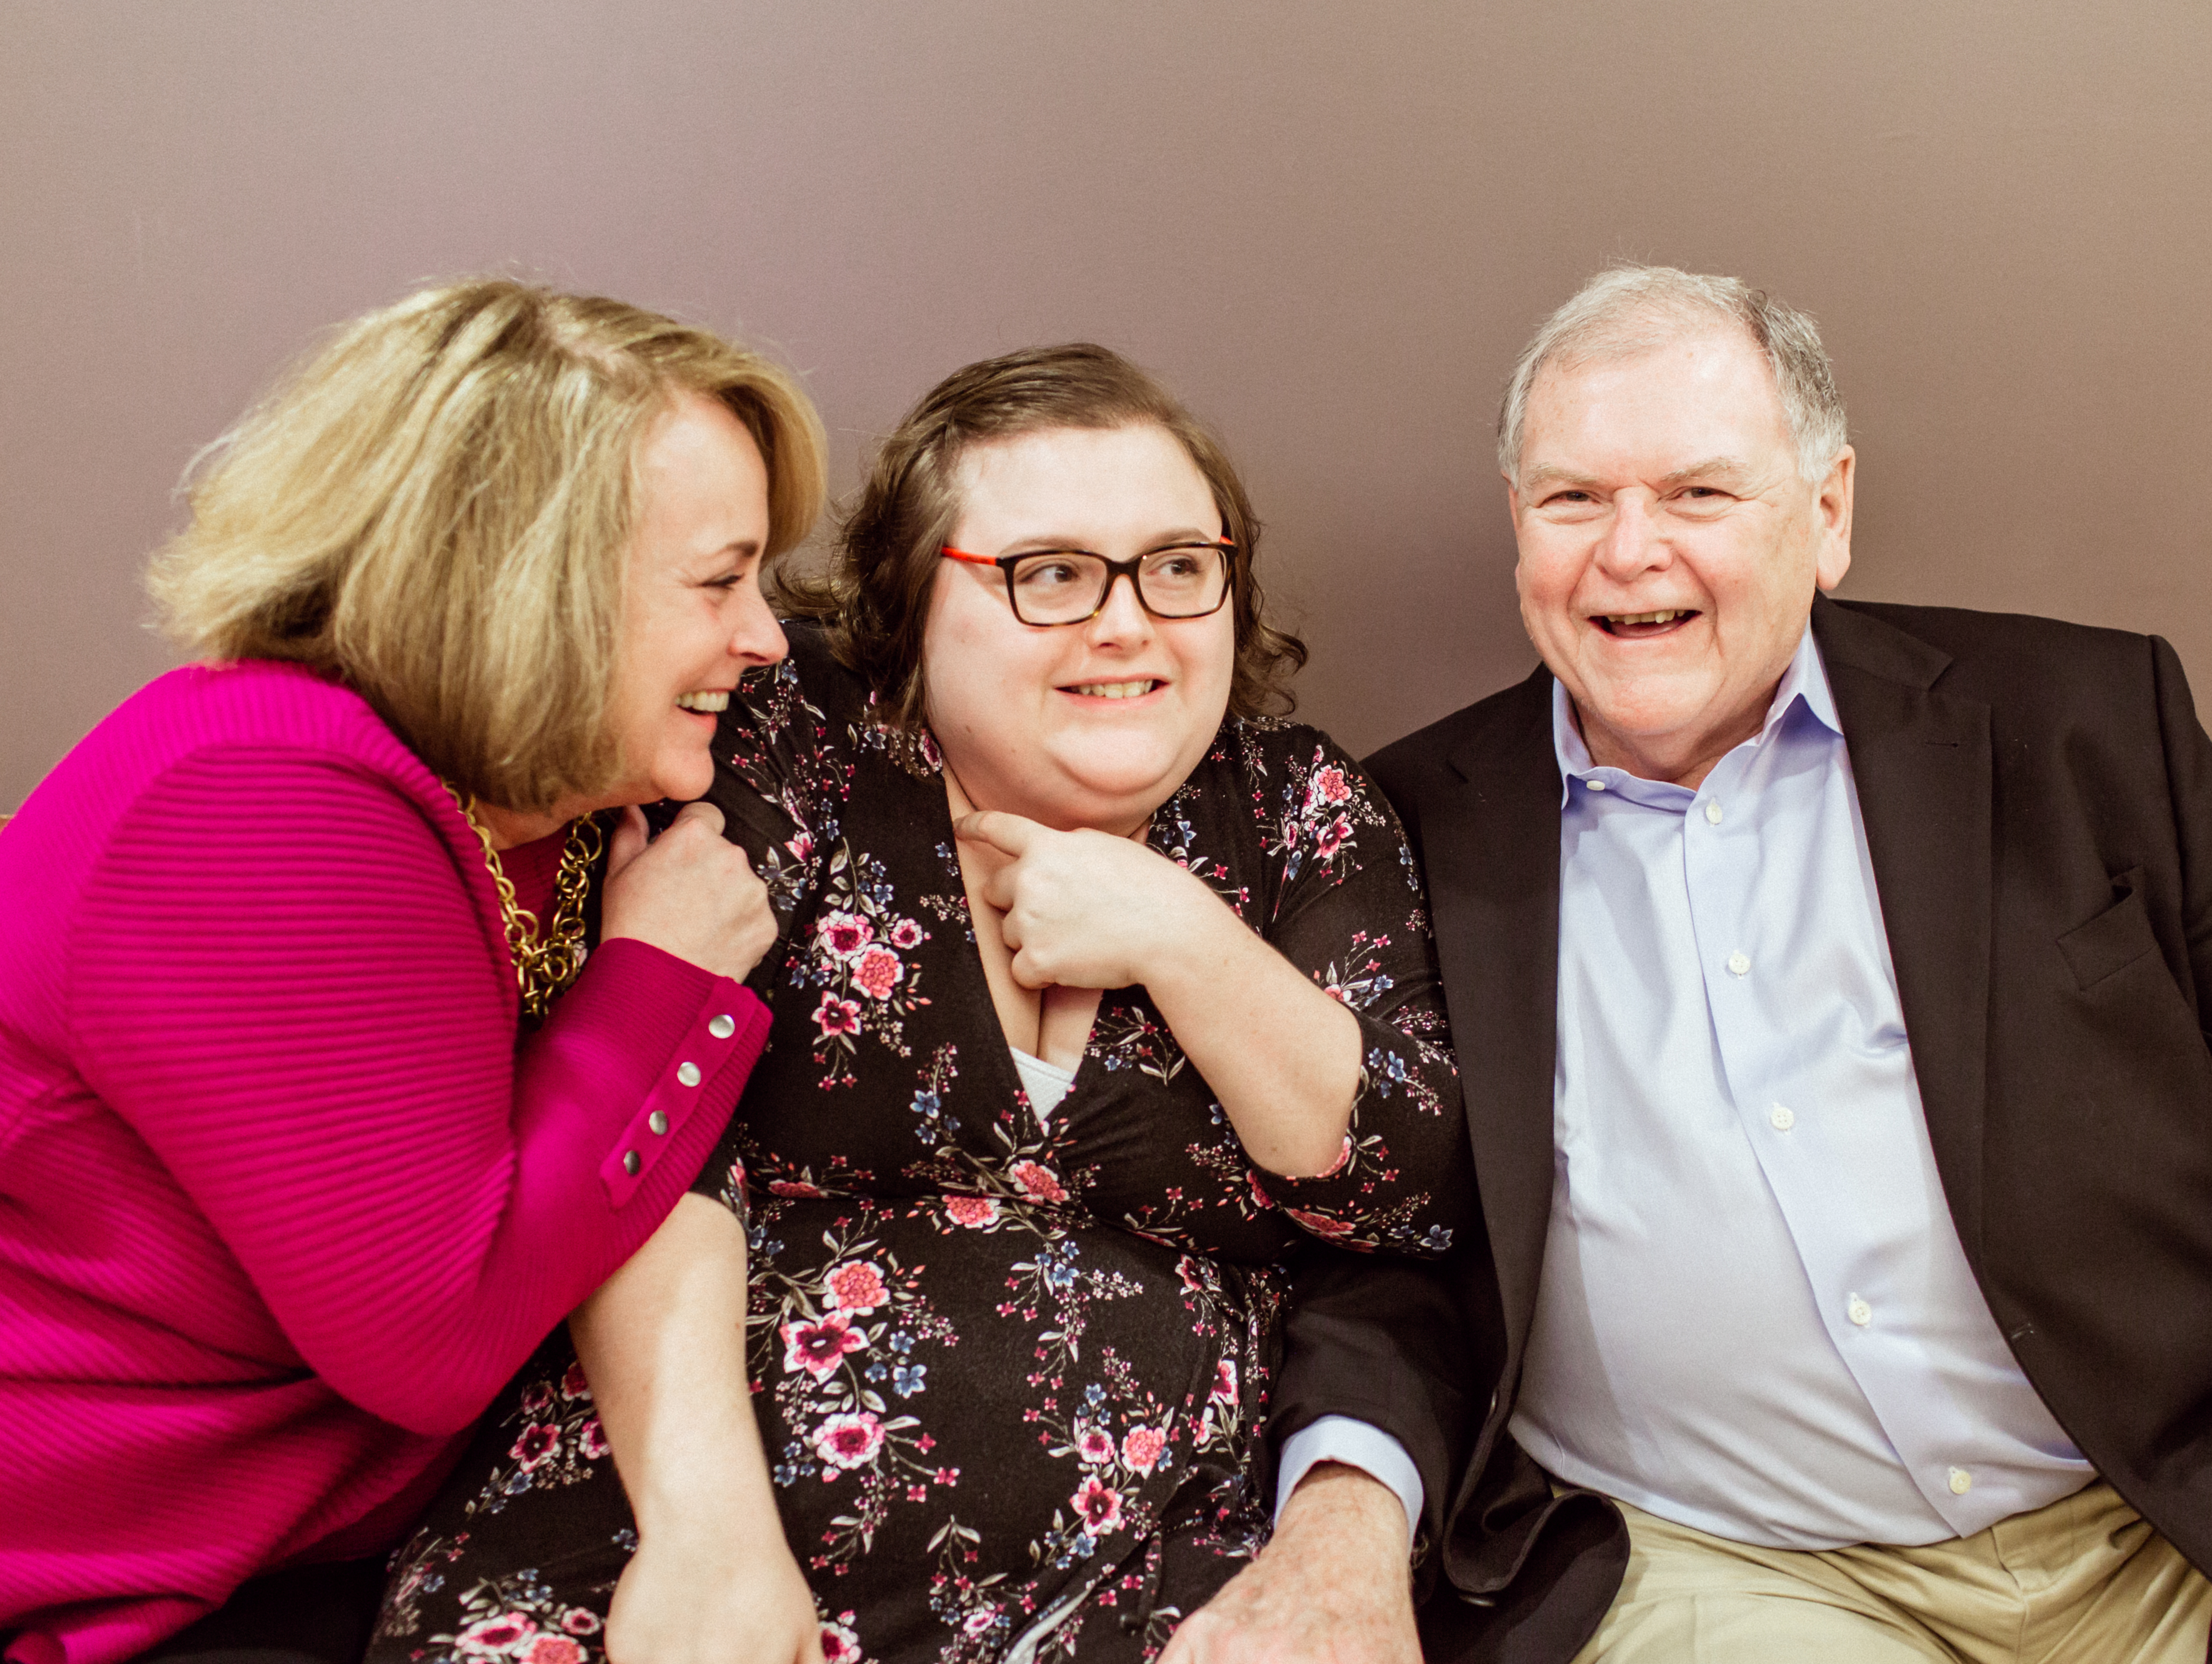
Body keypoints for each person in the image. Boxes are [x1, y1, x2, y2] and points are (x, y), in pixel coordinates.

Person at [368, 343, 1474, 1664]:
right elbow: (656, 1157)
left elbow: (1401, 1196)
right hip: (679, 1537)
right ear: (910, 606)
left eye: (1180, 565)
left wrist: (1188, 942)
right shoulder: (787, 753)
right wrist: (705, 1530)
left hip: (1132, 1584)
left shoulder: (1299, 812)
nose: (1128, 623)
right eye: (1049, 574)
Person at [1191, 264, 2212, 1664]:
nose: (1629, 551)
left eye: (1698, 494)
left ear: (1828, 512)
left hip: (2153, 1512)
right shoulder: (1403, 826)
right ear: (1518, 530)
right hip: (1734, 1577)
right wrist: (1343, 1516)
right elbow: (1383, 1244)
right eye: (1573, 500)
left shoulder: (2091, 724)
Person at [0, 280, 828, 1664]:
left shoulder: (539, 798)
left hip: (306, 1524)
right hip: (113, 1562)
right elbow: (435, 1344)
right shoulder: (261, 801)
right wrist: (659, 979)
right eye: (717, 582)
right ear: (530, 586)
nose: (767, 637)